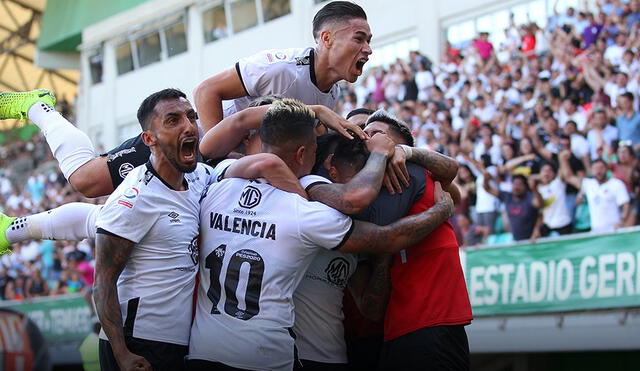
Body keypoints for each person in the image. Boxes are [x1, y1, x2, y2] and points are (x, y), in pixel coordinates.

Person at [187, 99, 455, 370]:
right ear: (305, 154)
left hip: (204, 352)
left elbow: (240, 146)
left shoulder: (218, 184)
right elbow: (378, 227)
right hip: (267, 355)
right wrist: (441, 211)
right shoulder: (306, 211)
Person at [91, 89, 304, 371]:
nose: (189, 126)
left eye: (191, 117)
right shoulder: (134, 198)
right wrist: (122, 353)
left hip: (183, 342)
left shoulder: (200, 177)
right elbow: (103, 283)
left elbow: (248, 165)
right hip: (137, 342)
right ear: (149, 139)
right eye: (173, 120)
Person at [193, 1, 372, 131]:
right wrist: (217, 156)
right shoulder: (280, 68)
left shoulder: (333, 92)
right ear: (327, 39)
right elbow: (205, 90)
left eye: (368, 41)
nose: (368, 50)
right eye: (359, 39)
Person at [560, 151, 630, 233]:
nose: (598, 171)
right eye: (596, 169)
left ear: (607, 169)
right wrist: (563, 160)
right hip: (596, 232)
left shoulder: (616, 184)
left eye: (601, 168)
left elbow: (626, 205)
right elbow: (569, 177)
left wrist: (622, 221)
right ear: (592, 170)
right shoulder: (589, 184)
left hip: (614, 231)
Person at [482, 172, 543, 241]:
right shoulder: (507, 196)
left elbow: (539, 203)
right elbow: (488, 189)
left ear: (525, 187)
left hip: (532, 240)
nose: (516, 187)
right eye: (514, 184)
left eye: (520, 184)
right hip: (516, 240)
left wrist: (535, 190)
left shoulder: (529, 197)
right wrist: (485, 179)